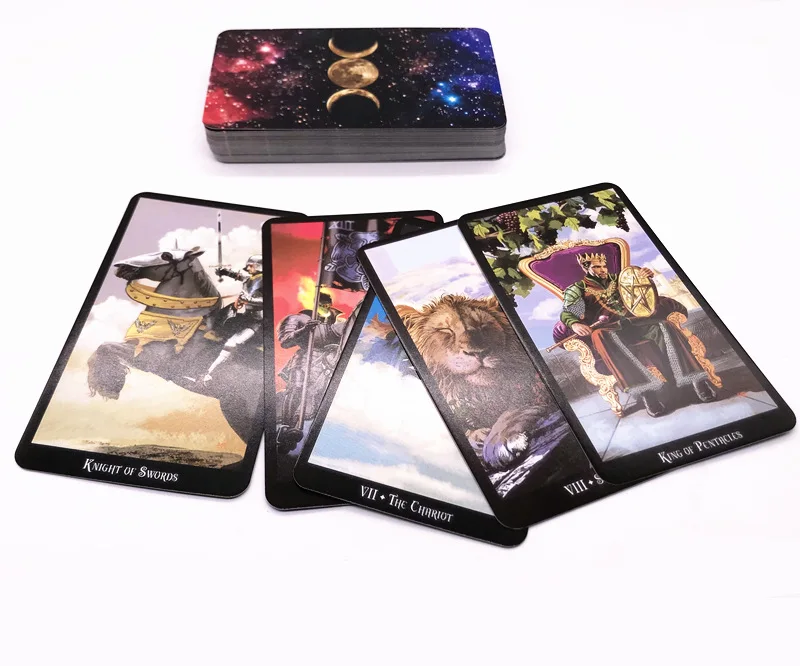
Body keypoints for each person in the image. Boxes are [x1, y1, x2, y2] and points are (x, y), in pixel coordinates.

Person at [560, 252, 716, 417]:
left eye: (604, 266)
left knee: (664, 326)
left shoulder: (621, 278)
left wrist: (645, 277)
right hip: (610, 329)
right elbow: (568, 313)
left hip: (636, 321)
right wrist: (574, 323)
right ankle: (647, 393)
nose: (602, 269)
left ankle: (694, 380)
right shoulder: (578, 289)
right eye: (597, 267)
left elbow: (643, 292)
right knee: (600, 336)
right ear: (586, 268)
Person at [275, 292, 346, 450]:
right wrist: (304, 330)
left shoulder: (333, 322)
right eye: (322, 304)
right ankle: (286, 426)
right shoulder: (298, 318)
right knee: (297, 388)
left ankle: (301, 430)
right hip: (304, 358)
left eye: (327, 305)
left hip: (327, 361)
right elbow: (285, 341)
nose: (325, 307)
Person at [201, 255, 263, 384]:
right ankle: (206, 372)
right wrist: (224, 271)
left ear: (258, 266)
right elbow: (237, 275)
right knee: (219, 331)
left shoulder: (265, 281)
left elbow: (267, 301)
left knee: (232, 343)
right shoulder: (249, 278)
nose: (248, 268)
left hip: (259, 322)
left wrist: (249, 300)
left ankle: (209, 374)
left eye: (251, 266)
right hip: (246, 318)